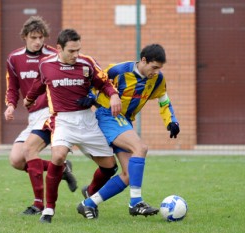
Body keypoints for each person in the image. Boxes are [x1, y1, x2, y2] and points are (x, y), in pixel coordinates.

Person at [24, 28, 122, 223]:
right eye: (71, 51)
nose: (76, 55)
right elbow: (38, 84)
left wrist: (113, 95)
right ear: (59, 48)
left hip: (87, 120)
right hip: (62, 120)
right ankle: (49, 209)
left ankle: (91, 192)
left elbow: (104, 82)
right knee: (58, 155)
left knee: (110, 167)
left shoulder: (87, 63)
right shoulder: (46, 65)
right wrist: (29, 99)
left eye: (78, 50)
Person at [77, 44, 180, 219]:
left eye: (159, 68)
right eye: (154, 67)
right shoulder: (118, 71)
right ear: (144, 60)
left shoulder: (157, 79)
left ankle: (88, 204)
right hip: (107, 115)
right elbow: (95, 83)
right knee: (141, 148)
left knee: (128, 175)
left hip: (124, 122)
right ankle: (135, 202)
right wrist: (90, 98)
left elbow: (163, 99)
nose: (156, 72)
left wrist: (171, 121)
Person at [4, 16, 77, 215]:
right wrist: (11, 105)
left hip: (51, 112)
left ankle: (38, 204)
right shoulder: (14, 58)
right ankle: (61, 169)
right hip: (33, 115)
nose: (38, 42)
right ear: (25, 37)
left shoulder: (54, 55)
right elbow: (12, 87)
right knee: (17, 160)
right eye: (33, 37)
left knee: (29, 150)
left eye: (41, 37)